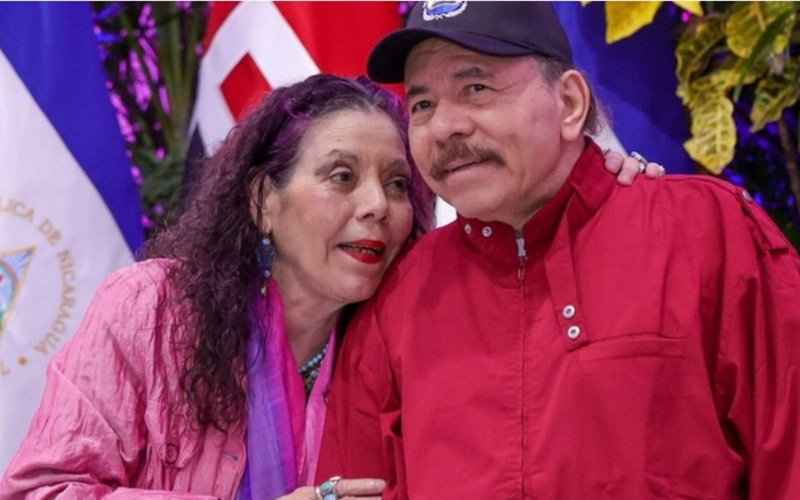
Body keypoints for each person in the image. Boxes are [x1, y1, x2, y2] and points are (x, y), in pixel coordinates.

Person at [0, 70, 648, 499]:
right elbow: (40, 492)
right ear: (263, 200)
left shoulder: (406, 331)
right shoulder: (155, 308)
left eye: (398, 184)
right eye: (342, 177)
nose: (377, 207)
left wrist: (596, 187)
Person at [317, 2, 800, 499]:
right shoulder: (399, 298)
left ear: (568, 103)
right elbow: (355, 485)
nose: (444, 127)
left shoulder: (706, 234)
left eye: (476, 88)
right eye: (422, 105)